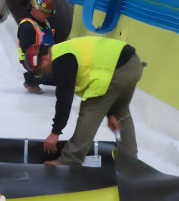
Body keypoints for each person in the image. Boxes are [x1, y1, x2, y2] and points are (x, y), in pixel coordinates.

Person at [24, 37, 144, 166]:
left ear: (45, 59)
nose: (45, 73)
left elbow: (64, 99)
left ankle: (69, 160)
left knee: (89, 112)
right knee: (120, 113)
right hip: (133, 63)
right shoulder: (63, 50)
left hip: (115, 68)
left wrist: (55, 132)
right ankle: (130, 159)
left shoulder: (60, 60)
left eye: (41, 70)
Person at [18, 0, 56, 94]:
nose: (48, 16)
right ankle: (31, 81)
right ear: (37, 11)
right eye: (46, 14)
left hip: (45, 55)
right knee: (53, 67)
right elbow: (28, 51)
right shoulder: (27, 26)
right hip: (31, 60)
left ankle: (45, 77)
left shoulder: (44, 23)